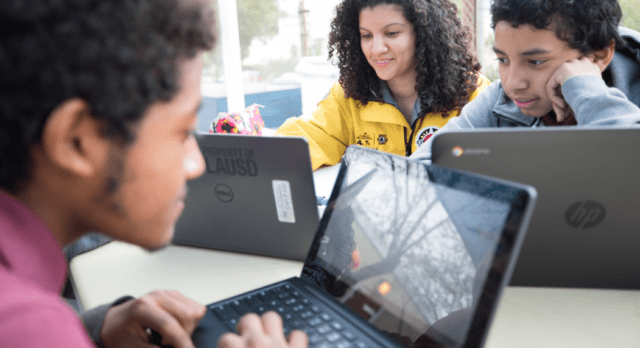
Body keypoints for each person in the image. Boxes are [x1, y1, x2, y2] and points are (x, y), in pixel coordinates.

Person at [0, 0, 306, 347]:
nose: (197, 164)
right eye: (184, 132)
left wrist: (93, 326)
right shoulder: (26, 327)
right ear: (77, 141)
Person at [411, 0, 640, 162]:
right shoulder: (501, 102)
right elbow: (418, 170)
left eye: (536, 62)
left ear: (598, 55)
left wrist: (587, 91)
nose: (512, 84)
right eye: (503, 59)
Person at [275, 0, 490, 170]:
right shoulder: (350, 95)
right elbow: (303, 141)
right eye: (366, 35)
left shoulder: (473, 94)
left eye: (391, 33)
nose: (376, 48)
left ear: (424, 33)